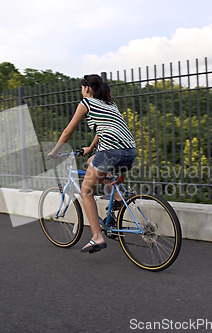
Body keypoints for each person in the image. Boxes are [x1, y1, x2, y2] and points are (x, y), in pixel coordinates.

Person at [48, 74, 136, 253]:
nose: (82, 91)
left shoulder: (86, 103)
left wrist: (55, 151)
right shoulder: (110, 104)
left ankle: (97, 237)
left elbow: (67, 132)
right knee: (92, 161)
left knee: (86, 191)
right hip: (130, 151)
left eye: (82, 88)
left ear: (87, 88)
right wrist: (91, 146)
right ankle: (118, 195)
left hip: (110, 151)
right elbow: (106, 126)